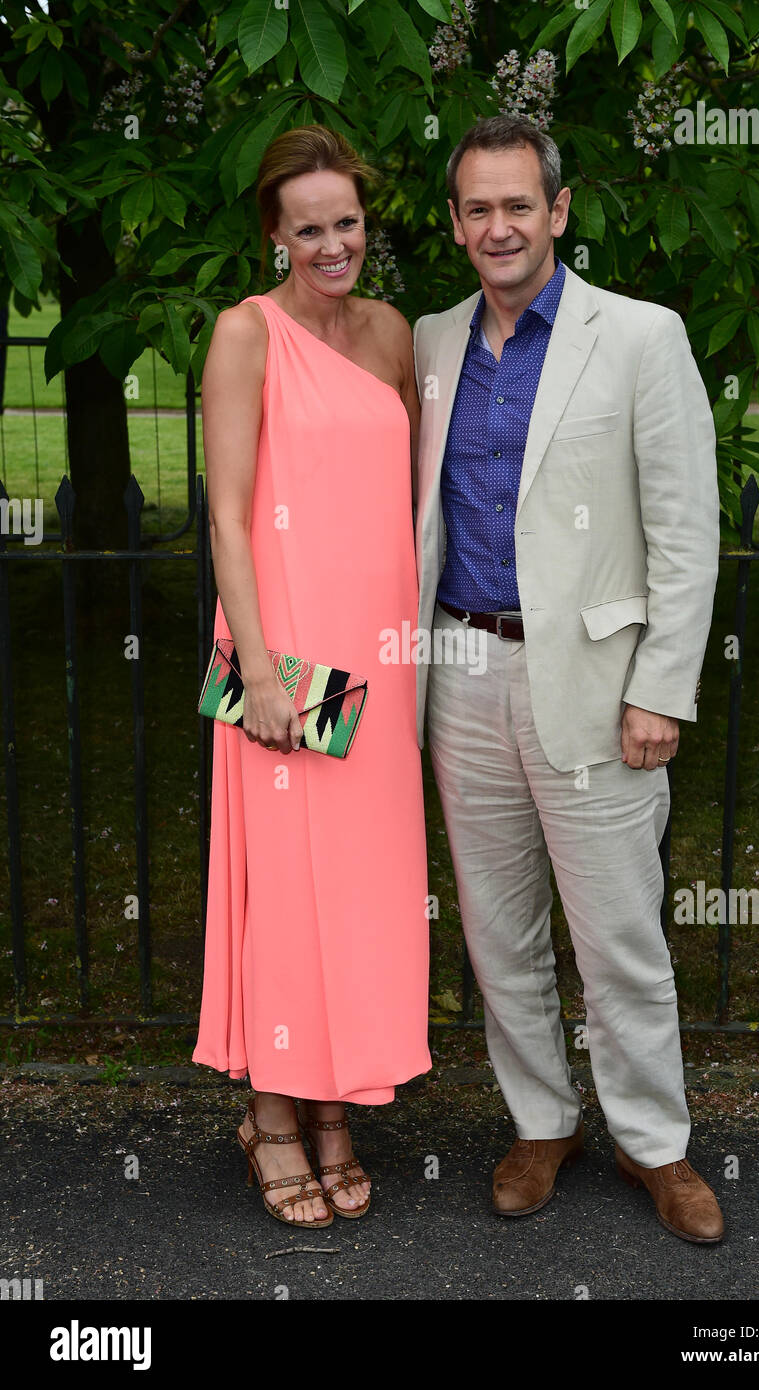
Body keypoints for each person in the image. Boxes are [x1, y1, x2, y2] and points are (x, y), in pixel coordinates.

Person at [412, 116, 724, 1241]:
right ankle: (542, 1123)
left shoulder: (639, 336)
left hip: (596, 685)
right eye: (476, 208)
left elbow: (685, 530)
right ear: (456, 225)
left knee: (618, 937)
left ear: (556, 210)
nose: (497, 226)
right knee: (498, 934)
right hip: (460, 671)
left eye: (517, 204)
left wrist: (661, 689)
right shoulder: (431, 342)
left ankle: (654, 1144)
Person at [192, 124, 431, 1227]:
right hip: (286, 662)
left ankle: (339, 1112)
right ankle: (276, 1120)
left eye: (348, 222)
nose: (334, 244)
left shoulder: (391, 334)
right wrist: (263, 672)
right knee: (288, 894)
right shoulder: (245, 333)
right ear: (275, 237)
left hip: (379, 661)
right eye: (310, 229)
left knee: (363, 892)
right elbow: (228, 517)